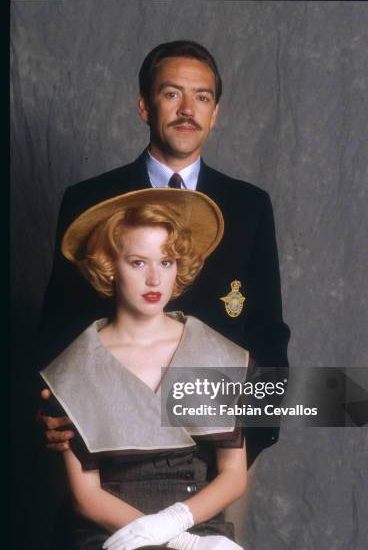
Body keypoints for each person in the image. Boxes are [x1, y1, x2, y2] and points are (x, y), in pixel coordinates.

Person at [38, 39, 290, 467]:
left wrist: (254, 435)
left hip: (220, 447)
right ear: (144, 107)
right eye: (172, 93)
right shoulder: (89, 201)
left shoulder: (249, 205)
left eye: (202, 97)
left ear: (215, 114)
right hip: (112, 444)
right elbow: (60, 323)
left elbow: (267, 329)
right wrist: (52, 408)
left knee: (215, 536)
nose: (188, 109)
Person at [40, 187, 249, 550]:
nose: (155, 278)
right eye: (138, 262)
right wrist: (180, 542)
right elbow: (87, 498)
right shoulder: (76, 366)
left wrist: (181, 527)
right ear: (109, 266)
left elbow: (233, 475)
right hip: (111, 534)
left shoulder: (210, 351)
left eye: (166, 261)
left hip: (200, 526)